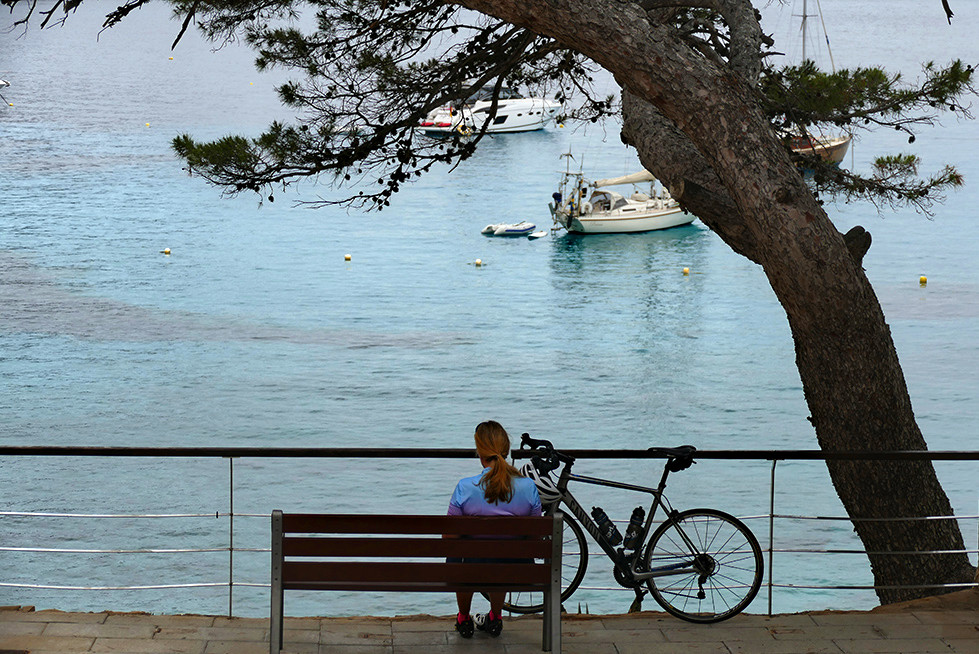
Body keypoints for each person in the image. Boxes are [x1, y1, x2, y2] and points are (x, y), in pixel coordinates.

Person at [447, 420, 542, 639]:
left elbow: (449, 536)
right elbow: (535, 535)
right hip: (515, 569)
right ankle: (496, 616)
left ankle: (463, 618)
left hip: (469, 568)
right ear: (506, 450)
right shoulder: (528, 487)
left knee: (461, 553)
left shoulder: (465, 487)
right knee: (504, 555)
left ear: (480, 452)